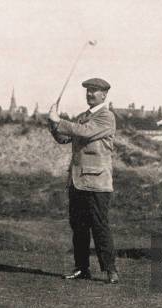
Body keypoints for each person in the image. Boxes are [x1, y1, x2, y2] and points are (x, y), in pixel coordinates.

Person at [48, 78, 119, 284]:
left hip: (98, 182)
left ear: (104, 95)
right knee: (78, 226)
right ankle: (81, 268)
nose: (90, 94)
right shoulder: (81, 117)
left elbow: (84, 131)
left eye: (94, 91)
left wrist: (60, 121)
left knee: (99, 226)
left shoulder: (107, 117)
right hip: (77, 181)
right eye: (88, 91)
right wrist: (53, 124)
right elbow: (64, 138)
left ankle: (110, 270)